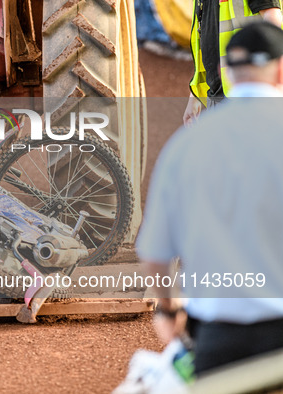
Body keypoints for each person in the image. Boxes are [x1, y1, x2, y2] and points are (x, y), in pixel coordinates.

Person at [137, 22, 283, 377]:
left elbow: (154, 252)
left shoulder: (187, 145)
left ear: (228, 72)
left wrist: (169, 311)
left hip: (220, 342)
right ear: (280, 69)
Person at [182, 0, 282, 125]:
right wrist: (194, 96)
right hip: (218, 95)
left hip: (249, 97)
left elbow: (274, 24)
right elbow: (205, 40)